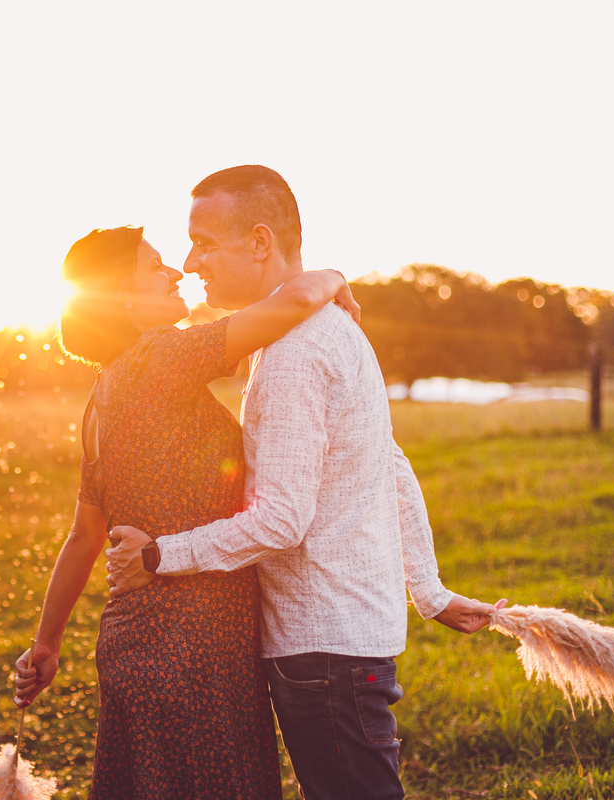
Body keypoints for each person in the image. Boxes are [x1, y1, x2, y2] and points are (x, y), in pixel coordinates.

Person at [105, 165, 506, 800]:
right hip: (350, 645)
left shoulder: (293, 351)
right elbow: (391, 464)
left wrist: (158, 554)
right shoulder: (333, 330)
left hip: (321, 655)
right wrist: (427, 592)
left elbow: (281, 521)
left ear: (260, 243)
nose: (190, 261)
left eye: (204, 243)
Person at [12, 225, 361, 799]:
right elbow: (294, 301)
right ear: (122, 298)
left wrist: (46, 644)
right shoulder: (159, 356)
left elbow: (83, 536)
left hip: (132, 647)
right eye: (155, 268)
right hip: (194, 649)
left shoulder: (101, 397)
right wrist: (334, 277)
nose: (175, 271)